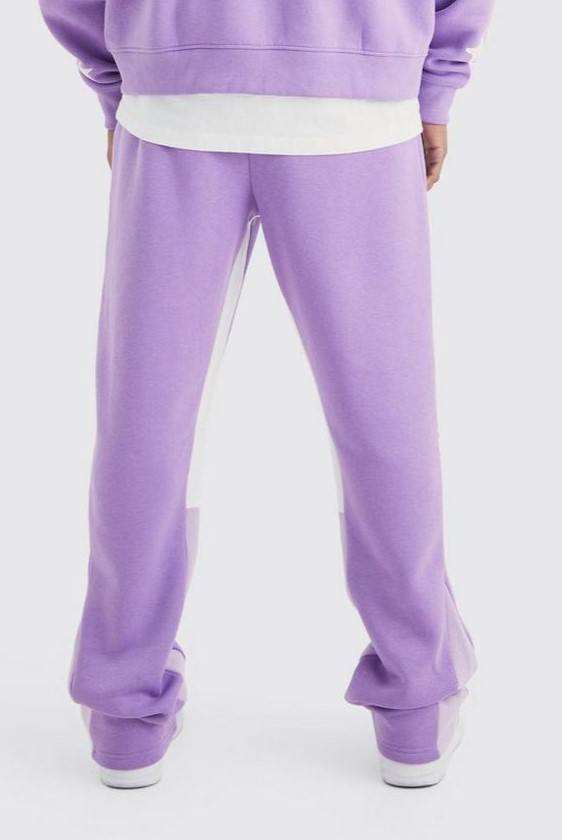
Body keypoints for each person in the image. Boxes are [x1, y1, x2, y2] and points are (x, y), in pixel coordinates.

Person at [39, 0, 493, 789]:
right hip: (356, 94)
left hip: (175, 91)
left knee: (148, 416)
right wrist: (436, 79)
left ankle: (124, 712)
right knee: (384, 413)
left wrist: (117, 83)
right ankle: (416, 706)